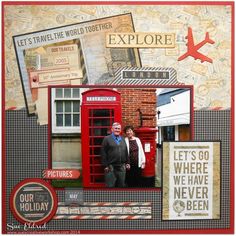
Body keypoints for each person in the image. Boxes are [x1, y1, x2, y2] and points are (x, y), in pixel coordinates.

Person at [100, 122, 130, 188]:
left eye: (119, 128)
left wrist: (127, 162)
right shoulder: (107, 139)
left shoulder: (122, 139)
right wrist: (105, 165)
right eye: (116, 128)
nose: (117, 130)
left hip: (121, 166)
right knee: (110, 185)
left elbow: (126, 151)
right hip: (111, 167)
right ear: (112, 129)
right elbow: (103, 152)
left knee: (121, 185)